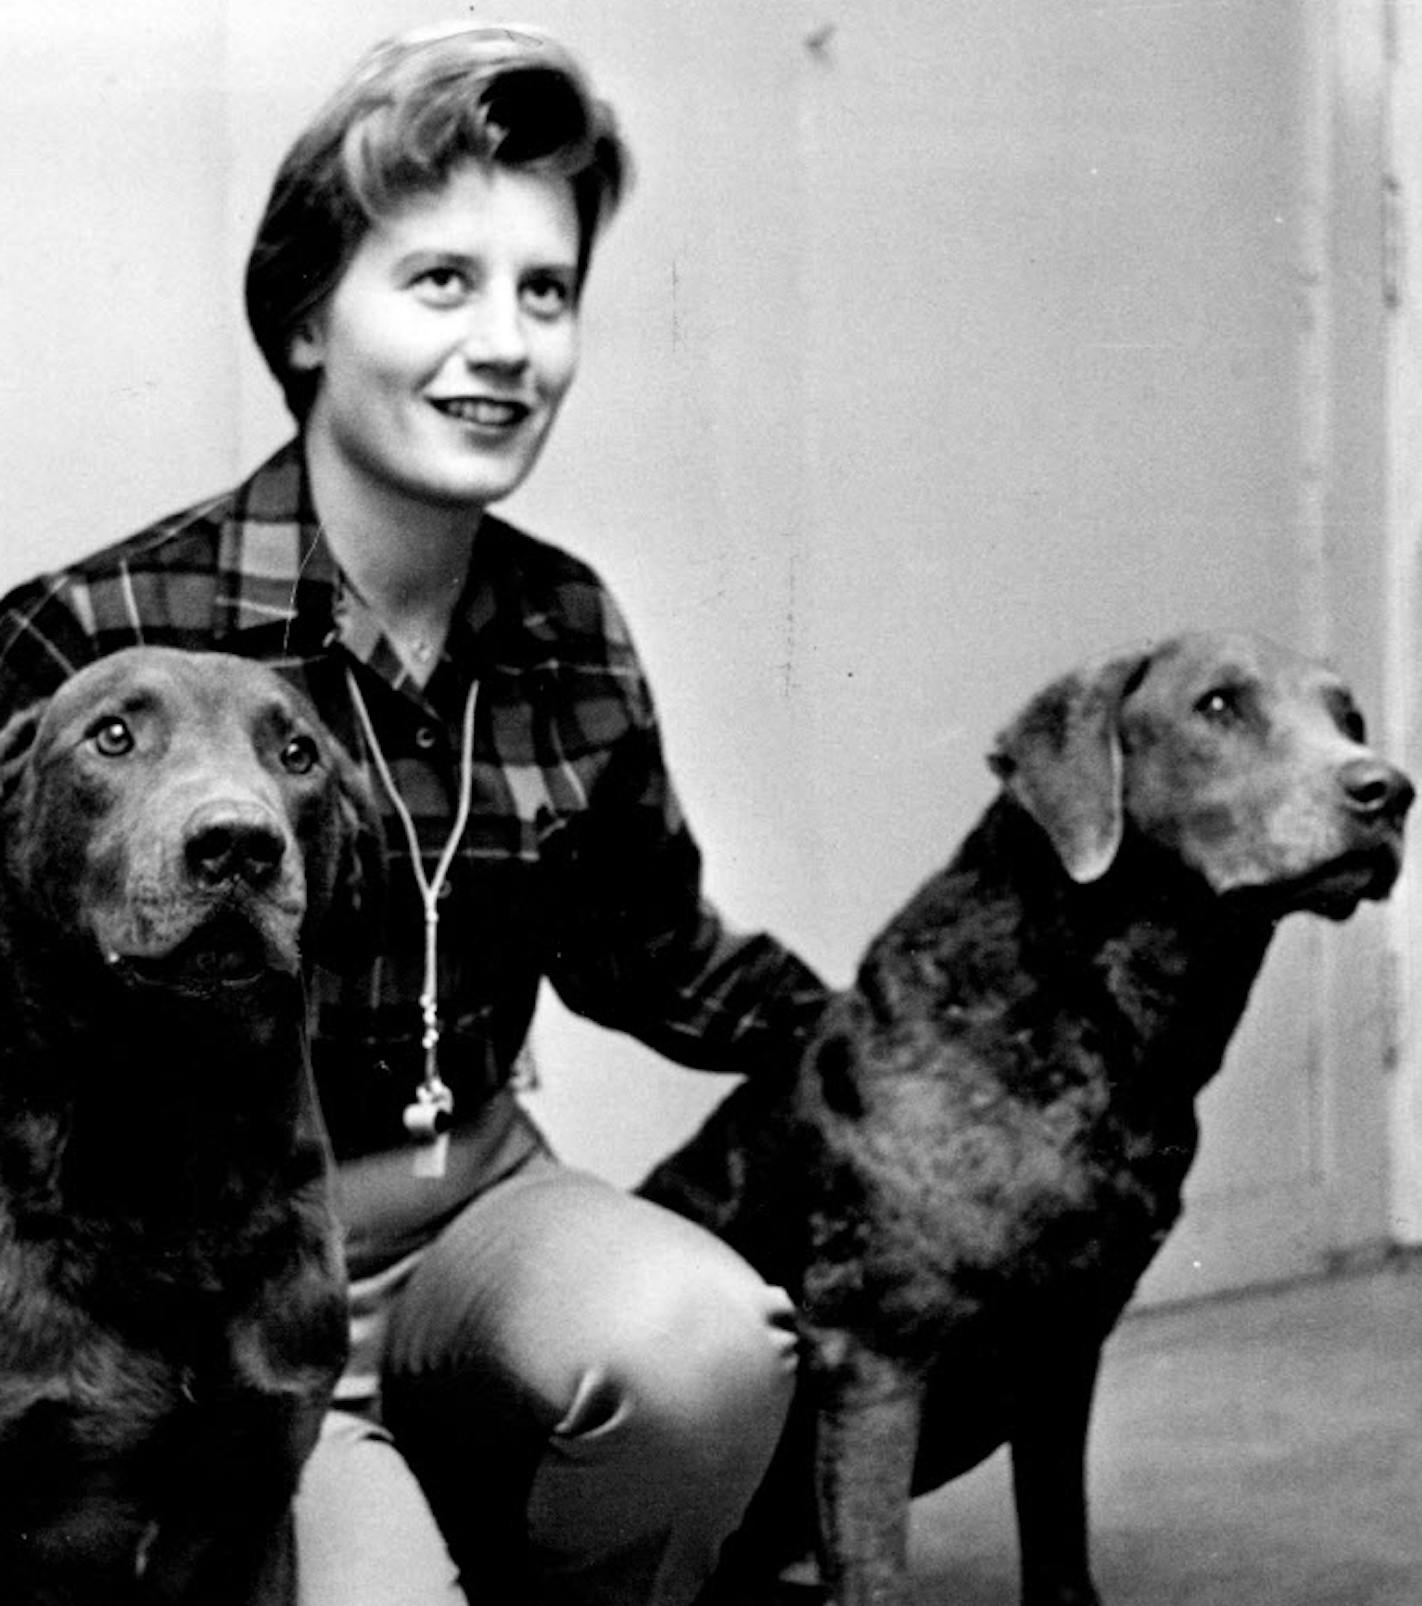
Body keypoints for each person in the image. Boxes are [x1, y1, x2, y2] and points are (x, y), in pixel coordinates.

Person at [0, 22, 830, 1606]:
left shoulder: (571, 627)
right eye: (441, 282)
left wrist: (899, 1037)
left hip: (474, 1218)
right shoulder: (102, 623)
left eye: (547, 291)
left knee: (701, 1349)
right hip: (189, 1266)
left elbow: (659, 952)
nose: (505, 342)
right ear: (312, 315)